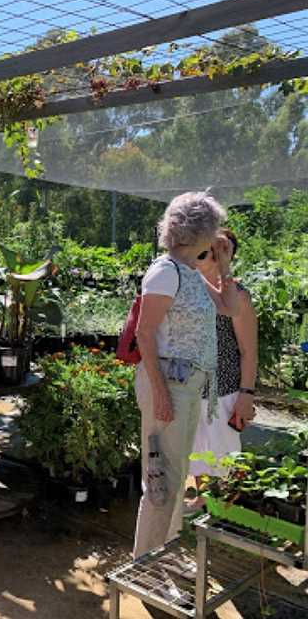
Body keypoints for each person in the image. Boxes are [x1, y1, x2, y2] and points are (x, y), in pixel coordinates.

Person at [133, 191, 239, 559]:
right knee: (162, 480)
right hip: (169, 384)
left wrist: (223, 264)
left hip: (186, 385)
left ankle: (160, 558)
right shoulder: (165, 271)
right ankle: (144, 564)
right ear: (202, 232)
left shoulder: (190, 273)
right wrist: (161, 394)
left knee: (175, 478)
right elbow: (144, 334)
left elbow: (229, 307)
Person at [190, 228, 258, 478]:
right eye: (211, 246)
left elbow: (248, 350)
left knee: (222, 459)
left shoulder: (237, 296)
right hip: (190, 386)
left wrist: (246, 394)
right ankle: (197, 502)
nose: (214, 253)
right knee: (193, 455)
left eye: (223, 249)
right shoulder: (188, 285)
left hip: (223, 390)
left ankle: (218, 506)